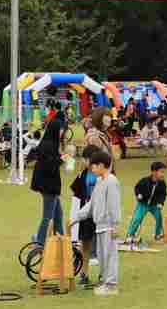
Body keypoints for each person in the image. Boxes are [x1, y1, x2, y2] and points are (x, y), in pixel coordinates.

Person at [73, 151, 122, 296]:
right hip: (99, 225)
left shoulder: (112, 181)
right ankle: (105, 282)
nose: (92, 170)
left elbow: (114, 205)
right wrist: (76, 217)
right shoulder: (99, 181)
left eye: (93, 167)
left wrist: (116, 225)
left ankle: (111, 285)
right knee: (101, 256)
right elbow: (91, 204)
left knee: (110, 255)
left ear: (101, 165)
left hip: (109, 226)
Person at [31, 109, 67, 245]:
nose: (62, 132)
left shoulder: (50, 143)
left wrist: (62, 158)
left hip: (49, 184)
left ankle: (61, 239)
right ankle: (39, 241)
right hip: (48, 185)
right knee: (48, 216)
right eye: (61, 130)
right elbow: (49, 165)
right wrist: (62, 159)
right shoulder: (48, 145)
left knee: (58, 214)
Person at [126, 161, 167, 245]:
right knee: (137, 218)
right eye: (161, 172)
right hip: (143, 204)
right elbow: (137, 188)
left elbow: (163, 194)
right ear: (154, 172)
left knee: (159, 218)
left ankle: (158, 235)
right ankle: (130, 234)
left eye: (164, 172)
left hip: (154, 205)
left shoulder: (162, 183)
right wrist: (139, 195)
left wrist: (160, 203)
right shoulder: (144, 181)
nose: (163, 174)